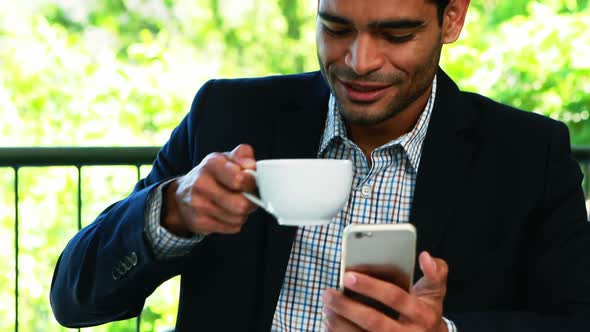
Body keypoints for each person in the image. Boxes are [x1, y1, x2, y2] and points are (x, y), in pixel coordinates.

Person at [50, 0, 590, 331]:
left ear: (452, 17)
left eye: (396, 35)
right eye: (335, 28)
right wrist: (172, 212)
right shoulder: (229, 115)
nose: (360, 62)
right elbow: (74, 299)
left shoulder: (529, 154)